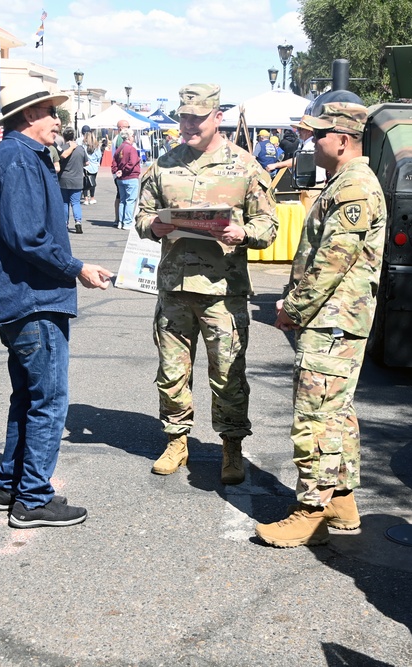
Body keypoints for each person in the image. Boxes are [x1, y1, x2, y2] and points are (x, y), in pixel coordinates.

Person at [0, 78, 114, 529]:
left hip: (20, 299)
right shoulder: (18, 160)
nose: (58, 121)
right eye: (52, 113)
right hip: (31, 300)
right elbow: (28, 237)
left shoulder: (13, 156)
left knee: (28, 397)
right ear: (29, 115)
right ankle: (32, 497)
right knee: (47, 400)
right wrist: (77, 268)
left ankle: (12, 484)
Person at [253, 103, 387, 548]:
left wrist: (293, 306)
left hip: (331, 320)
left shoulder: (354, 188)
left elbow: (332, 261)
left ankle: (310, 509)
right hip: (336, 320)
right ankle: (342, 501)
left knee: (315, 418)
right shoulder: (346, 182)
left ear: (343, 139)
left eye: (317, 136)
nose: (310, 144)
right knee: (337, 414)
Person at [136, 83, 278, 484]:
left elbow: (269, 226)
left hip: (223, 293)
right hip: (175, 289)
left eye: (197, 118)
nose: (188, 126)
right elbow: (142, 217)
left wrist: (243, 233)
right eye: (183, 117)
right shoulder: (164, 165)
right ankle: (177, 439)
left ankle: (231, 446)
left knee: (228, 373)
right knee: (171, 371)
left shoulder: (246, 166)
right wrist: (155, 225)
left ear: (218, 117)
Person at [59, 127, 86, 234]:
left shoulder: (61, 148)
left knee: (65, 203)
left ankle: (65, 223)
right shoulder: (80, 149)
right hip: (77, 179)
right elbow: (86, 162)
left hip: (63, 179)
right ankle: (78, 222)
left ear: (64, 136)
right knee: (75, 203)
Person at [112, 130, 140, 231]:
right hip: (130, 177)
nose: (133, 138)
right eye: (132, 136)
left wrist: (117, 171)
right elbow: (132, 163)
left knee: (123, 200)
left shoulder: (119, 148)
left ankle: (120, 221)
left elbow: (114, 162)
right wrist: (123, 171)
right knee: (130, 200)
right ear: (128, 137)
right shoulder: (131, 149)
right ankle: (127, 222)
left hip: (121, 178)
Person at [112, 118, 130, 224]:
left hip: (118, 170)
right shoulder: (120, 139)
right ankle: (120, 218)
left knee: (120, 195)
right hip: (120, 171)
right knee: (122, 196)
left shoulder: (117, 138)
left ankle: (118, 218)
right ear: (121, 128)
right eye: (128, 127)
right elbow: (122, 155)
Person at [82, 129, 101, 206]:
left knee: (85, 182)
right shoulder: (96, 146)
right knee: (92, 182)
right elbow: (99, 156)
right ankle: (92, 198)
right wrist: (97, 162)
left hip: (86, 166)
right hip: (94, 166)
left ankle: (86, 198)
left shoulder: (83, 146)